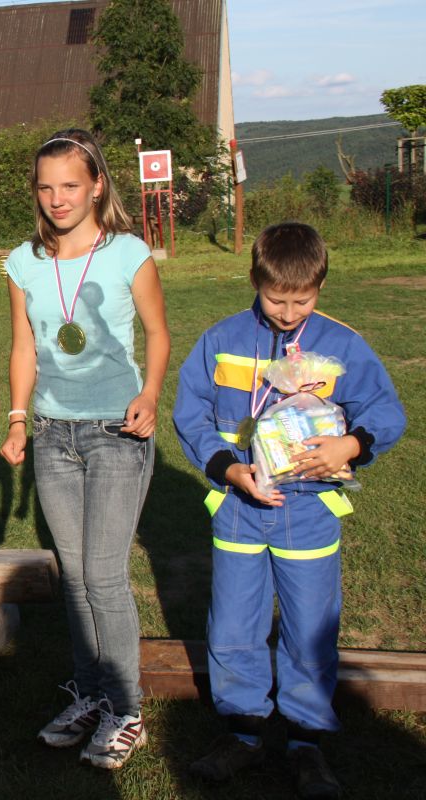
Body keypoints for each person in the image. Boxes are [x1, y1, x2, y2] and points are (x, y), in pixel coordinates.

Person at [173, 222, 406, 799]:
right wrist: (228, 468)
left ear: (320, 287)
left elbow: (385, 412)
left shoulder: (342, 345)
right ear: (255, 280)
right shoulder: (221, 340)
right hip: (239, 506)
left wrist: (349, 446)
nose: (287, 312)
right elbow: (191, 411)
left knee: (309, 628)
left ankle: (306, 742)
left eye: (302, 301)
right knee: (234, 625)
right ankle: (243, 732)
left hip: (310, 510)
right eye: (276, 299)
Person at [0, 128, 170, 769]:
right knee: (74, 578)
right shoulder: (23, 262)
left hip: (116, 433)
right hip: (53, 434)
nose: (58, 198)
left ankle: (127, 711)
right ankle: (92, 693)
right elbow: (23, 346)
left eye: (70, 185)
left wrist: (150, 394)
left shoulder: (129, 253)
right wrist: (19, 419)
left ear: (97, 184)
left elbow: (158, 333)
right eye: (46, 187)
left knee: (103, 575)